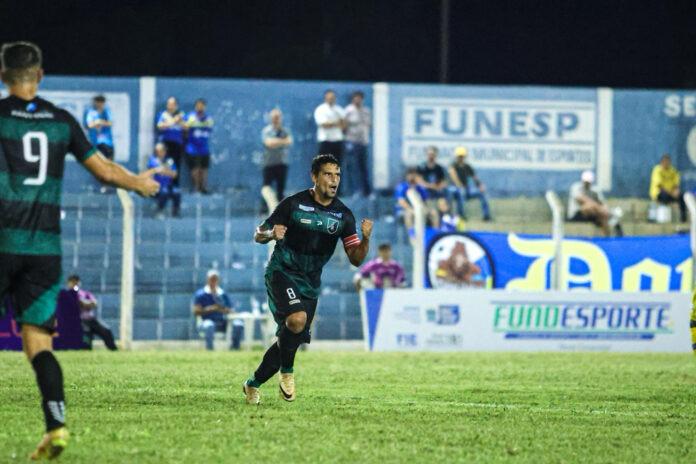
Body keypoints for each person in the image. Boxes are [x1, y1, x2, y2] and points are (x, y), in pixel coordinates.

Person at [0, 41, 159, 460]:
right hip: (45, 249)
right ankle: (56, 427)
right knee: (38, 343)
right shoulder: (60, 120)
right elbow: (103, 169)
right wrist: (140, 183)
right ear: (40, 76)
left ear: (3, 76)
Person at [243, 154, 372, 404]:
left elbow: (356, 259)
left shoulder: (343, 215)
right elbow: (258, 234)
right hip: (282, 271)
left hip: (310, 282)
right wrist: (271, 233)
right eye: (328, 174)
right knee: (297, 320)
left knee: (290, 338)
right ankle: (288, 374)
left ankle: (252, 383)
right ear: (315, 176)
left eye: (337, 175)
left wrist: (365, 239)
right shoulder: (293, 204)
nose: (334, 180)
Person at [65, 275, 117, 351]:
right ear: (69, 284)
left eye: (76, 282)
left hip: (91, 319)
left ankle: (113, 350)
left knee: (106, 331)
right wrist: (84, 304)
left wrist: (83, 303)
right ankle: (86, 351)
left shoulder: (85, 294)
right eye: (72, 282)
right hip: (78, 321)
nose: (75, 284)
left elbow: (94, 303)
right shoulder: (66, 295)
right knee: (86, 334)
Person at [192, 269, 234, 351]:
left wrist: (220, 309)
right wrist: (210, 309)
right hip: (205, 321)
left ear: (218, 280)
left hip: (222, 321)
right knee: (209, 325)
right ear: (207, 280)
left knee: (237, 325)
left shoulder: (222, 294)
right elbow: (196, 311)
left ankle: (234, 349)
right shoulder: (200, 294)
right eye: (211, 279)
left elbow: (230, 310)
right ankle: (210, 349)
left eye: (215, 279)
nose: (213, 281)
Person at [448, 146, 491, 221]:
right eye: (459, 156)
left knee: (481, 193)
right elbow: (454, 177)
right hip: (455, 189)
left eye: (462, 156)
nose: (461, 158)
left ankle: (486, 215)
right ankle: (461, 215)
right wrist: (460, 186)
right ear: (456, 157)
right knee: (461, 192)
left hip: (466, 189)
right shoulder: (453, 166)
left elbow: (474, 177)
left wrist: (480, 185)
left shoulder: (467, 166)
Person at [567, 170, 614, 236]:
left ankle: (606, 239)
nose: (587, 183)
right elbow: (582, 200)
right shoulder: (576, 187)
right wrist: (601, 209)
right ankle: (611, 215)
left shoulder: (595, 190)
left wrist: (603, 209)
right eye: (585, 181)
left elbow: (603, 203)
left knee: (602, 218)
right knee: (589, 206)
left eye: (588, 182)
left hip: (593, 214)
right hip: (577, 214)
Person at [261, 108, 293, 204]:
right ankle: (263, 211)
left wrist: (275, 141)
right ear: (271, 118)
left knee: (281, 190)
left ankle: (280, 213)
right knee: (266, 188)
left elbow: (289, 141)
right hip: (268, 163)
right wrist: (282, 142)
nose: (276, 119)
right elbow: (268, 143)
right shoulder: (266, 131)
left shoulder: (286, 131)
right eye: (274, 117)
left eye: (278, 117)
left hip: (282, 163)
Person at [343, 91, 371, 197]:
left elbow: (368, 125)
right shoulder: (348, 110)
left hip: (363, 142)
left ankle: (366, 191)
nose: (358, 100)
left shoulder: (366, 111)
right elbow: (344, 126)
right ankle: (354, 191)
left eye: (360, 98)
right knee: (353, 167)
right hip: (352, 141)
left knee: (363, 167)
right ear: (353, 99)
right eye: (356, 98)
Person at [185, 98, 214, 194]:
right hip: (192, 147)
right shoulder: (190, 116)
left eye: (202, 105)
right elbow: (185, 127)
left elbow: (209, 127)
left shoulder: (208, 118)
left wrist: (197, 124)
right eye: (198, 105)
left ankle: (203, 187)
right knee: (195, 168)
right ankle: (196, 187)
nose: (200, 107)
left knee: (204, 168)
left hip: (204, 148)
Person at [156, 96, 186, 187]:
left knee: (176, 165)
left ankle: (175, 185)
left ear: (176, 105)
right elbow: (160, 126)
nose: (170, 106)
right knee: (165, 164)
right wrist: (174, 121)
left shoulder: (181, 115)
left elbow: (186, 127)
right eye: (168, 104)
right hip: (166, 144)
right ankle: (164, 184)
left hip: (177, 144)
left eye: (172, 104)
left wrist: (179, 121)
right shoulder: (163, 114)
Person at [147, 143, 180, 218]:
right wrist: (167, 171)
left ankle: (175, 212)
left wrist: (163, 170)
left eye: (163, 150)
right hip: (156, 185)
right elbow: (155, 171)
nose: (161, 152)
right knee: (164, 192)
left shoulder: (169, 160)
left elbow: (174, 174)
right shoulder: (153, 160)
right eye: (159, 151)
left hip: (168, 185)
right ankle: (159, 211)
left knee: (176, 192)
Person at [649, 154, 686, 222]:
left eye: (668, 162)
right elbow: (659, 186)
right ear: (662, 162)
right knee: (664, 195)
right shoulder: (657, 170)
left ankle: (683, 218)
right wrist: (671, 193)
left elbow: (676, 183)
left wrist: (676, 191)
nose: (666, 164)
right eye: (665, 162)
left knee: (682, 196)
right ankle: (663, 219)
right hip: (659, 193)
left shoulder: (673, 170)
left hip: (671, 193)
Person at [313, 89, 345, 164]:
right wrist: (336, 123)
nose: (331, 99)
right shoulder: (320, 109)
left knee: (337, 165)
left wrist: (332, 123)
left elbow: (344, 125)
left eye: (332, 97)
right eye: (329, 97)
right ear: (325, 98)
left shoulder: (339, 110)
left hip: (337, 141)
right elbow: (324, 125)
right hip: (325, 141)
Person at [417, 146, 449, 216]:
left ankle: (444, 222)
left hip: (436, 191)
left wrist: (439, 186)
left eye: (433, 155)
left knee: (443, 204)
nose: (431, 156)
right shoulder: (421, 167)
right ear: (426, 155)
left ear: (436, 155)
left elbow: (444, 182)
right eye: (429, 154)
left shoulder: (439, 168)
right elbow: (419, 181)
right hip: (425, 192)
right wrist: (431, 186)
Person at [83, 95, 114, 160]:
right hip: (95, 143)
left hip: (107, 142)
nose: (100, 104)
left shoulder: (106, 111)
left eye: (102, 103)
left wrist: (100, 122)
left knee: (109, 163)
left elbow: (110, 123)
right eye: (98, 102)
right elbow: (88, 125)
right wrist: (96, 123)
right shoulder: (90, 111)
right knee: (99, 164)